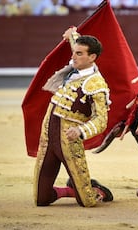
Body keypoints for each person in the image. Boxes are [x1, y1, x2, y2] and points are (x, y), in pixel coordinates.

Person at [34, 26, 113, 207]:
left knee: (87, 201)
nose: (73, 57)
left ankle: (98, 190)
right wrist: (73, 35)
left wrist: (81, 130)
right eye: (74, 52)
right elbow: (79, 47)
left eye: (78, 54)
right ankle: (69, 190)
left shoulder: (96, 84)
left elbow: (102, 120)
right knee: (41, 199)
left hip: (68, 142)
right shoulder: (74, 70)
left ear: (92, 57)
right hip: (48, 137)